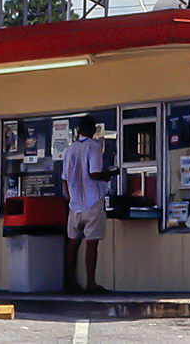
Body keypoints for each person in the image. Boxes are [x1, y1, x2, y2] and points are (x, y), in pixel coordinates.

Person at [62, 115, 116, 293]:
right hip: (92, 201)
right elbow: (94, 173)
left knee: (73, 243)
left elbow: (64, 179)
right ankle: (91, 283)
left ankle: (70, 282)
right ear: (94, 130)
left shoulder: (69, 150)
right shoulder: (94, 147)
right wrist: (107, 175)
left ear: (78, 131)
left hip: (74, 203)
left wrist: (71, 197)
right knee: (91, 244)